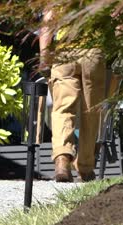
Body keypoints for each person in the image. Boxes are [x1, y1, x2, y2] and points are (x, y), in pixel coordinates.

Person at [39, 5, 107, 182]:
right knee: (91, 111)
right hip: (94, 51)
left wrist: (44, 57)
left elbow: (48, 22)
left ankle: (62, 159)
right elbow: (118, 18)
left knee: (62, 108)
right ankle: (85, 167)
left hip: (65, 52)